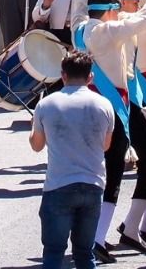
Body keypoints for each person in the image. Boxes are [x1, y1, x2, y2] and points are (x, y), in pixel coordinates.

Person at [31, 50, 116, 269]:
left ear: (63, 75)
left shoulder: (46, 104)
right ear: (90, 77)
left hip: (59, 184)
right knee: (84, 253)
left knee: (53, 252)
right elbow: (106, 145)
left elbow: (36, 145)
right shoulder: (104, 104)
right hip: (93, 184)